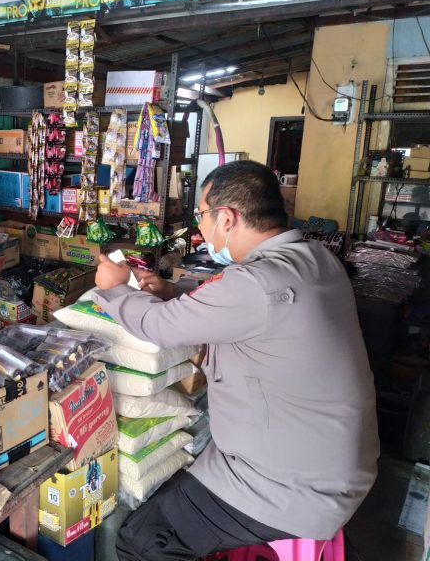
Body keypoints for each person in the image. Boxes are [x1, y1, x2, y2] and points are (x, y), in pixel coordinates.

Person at [93, 161, 379, 560]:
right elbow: (247, 302)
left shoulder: (257, 285)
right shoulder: (315, 259)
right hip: (333, 460)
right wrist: (176, 289)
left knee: (144, 540)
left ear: (227, 218)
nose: (200, 229)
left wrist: (115, 290)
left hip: (290, 486)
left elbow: (155, 326)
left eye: (202, 217)